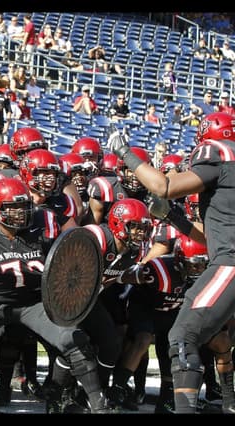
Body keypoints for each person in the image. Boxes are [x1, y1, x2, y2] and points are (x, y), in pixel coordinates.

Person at [0, 178, 112, 413]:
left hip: (36, 303)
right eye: (12, 208)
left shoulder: (47, 221)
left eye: (24, 206)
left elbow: (79, 246)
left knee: (75, 340)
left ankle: (98, 405)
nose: (20, 213)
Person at [110, 111, 235, 413]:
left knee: (182, 337)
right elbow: (212, 237)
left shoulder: (220, 154)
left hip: (230, 263)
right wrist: (173, 217)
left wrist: (124, 153)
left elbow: (163, 186)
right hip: (227, 255)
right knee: (212, 339)